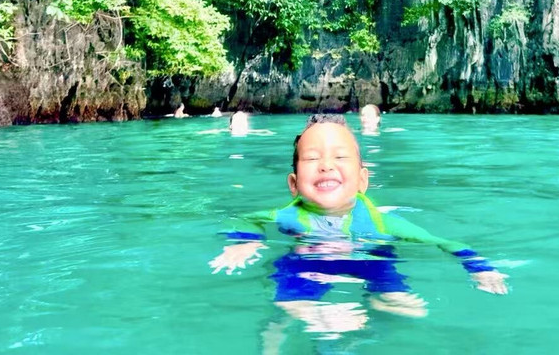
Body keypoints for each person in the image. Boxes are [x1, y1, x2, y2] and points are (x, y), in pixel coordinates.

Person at [210, 115, 507, 335]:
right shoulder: (291, 216)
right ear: (294, 184)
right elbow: (243, 218)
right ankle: (311, 311)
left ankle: (381, 301)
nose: (326, 165)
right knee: (287, 294)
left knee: (411, 308)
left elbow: (445, 242)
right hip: (308, 263)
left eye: (340, 156)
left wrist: (479, 267)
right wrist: (246, 240)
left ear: (363, 180)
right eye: (312, 158)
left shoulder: (381, 223)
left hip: (371, 261)